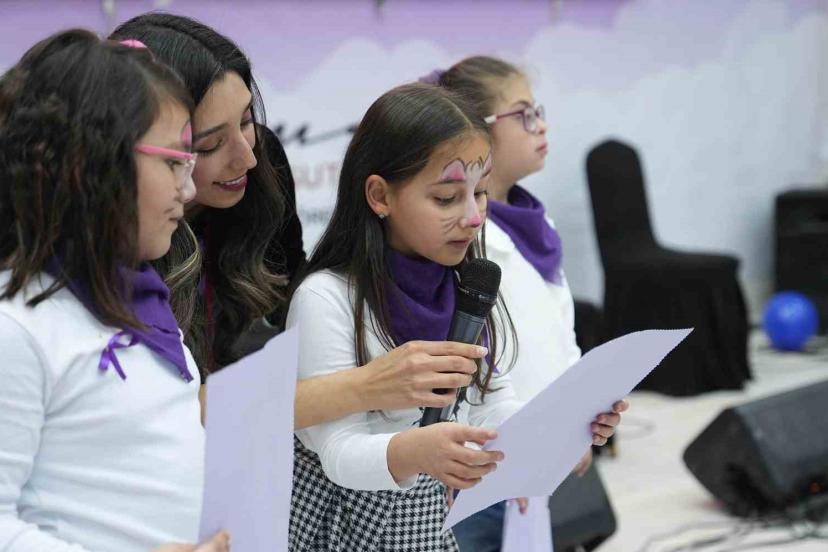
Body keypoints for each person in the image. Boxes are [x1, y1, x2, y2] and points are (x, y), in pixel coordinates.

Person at [286, 82, 623, 551]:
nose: (473, 217)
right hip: (343, 532)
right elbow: (337, 450)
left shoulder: (470, 284)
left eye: (480, 193)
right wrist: (415, 452)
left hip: (428, 530)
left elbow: (491, 402)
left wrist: (561, 424)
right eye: (446, 198)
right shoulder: (327, 298)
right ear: (380, 195)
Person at [110, 13, 486, 430]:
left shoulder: (263, 170)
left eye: (247, 120)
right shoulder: (116, 249)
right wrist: (366, 385)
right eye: (210, 144)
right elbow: (168, 410)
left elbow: (286, 282)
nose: (246, 157)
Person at [0, 30, 228, 552]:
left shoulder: (141, 298)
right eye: (173, 161)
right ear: (92, 162)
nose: (189, 189)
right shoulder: (16, 327)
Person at [435, 55, 628, 551]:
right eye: (523, 115)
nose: (541, 125)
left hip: (540, 456)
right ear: (476, 130)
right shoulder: (462, 238)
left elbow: (559, 338)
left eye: (538, 112)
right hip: (485, 460)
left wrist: (577, 425)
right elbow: (476, 362)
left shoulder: (536, 223)